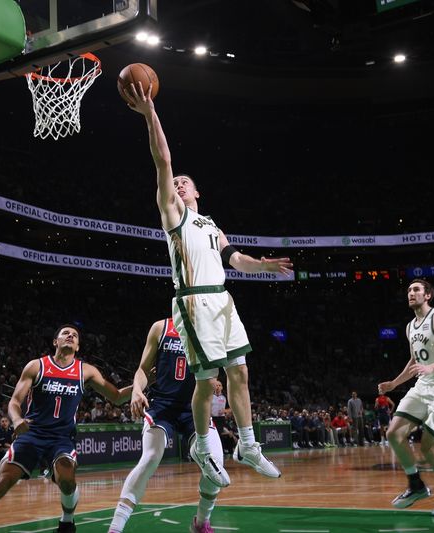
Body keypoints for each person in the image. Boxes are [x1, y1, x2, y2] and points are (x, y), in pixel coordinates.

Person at [124, 82, 290, 487]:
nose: (178, 183)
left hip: (223, 301)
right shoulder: (173, 214)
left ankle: (248, 444)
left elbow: (236, 260)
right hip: (193, 303)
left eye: (185, 182)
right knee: (206, 380)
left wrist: (263, 267)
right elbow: (162, 159)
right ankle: (201, 443)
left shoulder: (211, 224)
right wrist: (150, 115)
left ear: (198, 192)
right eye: (176, 182)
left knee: (241, 373)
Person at [0, 324, 131, 533]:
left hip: (62, 438)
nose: (70, 336)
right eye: (65, 333)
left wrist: (142, 384)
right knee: (2, 481)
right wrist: (16, 420)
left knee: (67, 479)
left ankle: (67, 520)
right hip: (32, 434)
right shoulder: (36, 366)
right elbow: (14, 402)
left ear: (77, 347)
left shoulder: (86, 371)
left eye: (75, 335)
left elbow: (118, 396)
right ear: (55, 341)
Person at [109, 318, 224, 533]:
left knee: (216, 463)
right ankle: (115, 528)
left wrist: (213, 382)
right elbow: (143, 370)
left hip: (194, 408)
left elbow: (211, 374)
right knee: (150, 457)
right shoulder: (161, 327)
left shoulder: (209, 330)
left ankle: (201, 522)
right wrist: (136, 391)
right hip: (162, 406)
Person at [377, 279, 434, 517]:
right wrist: (394, 383)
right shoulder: (410, 327)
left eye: (416, 289)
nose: (411, 293)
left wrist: (433, 367)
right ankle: (416, 485)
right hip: (423, 386)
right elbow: (414, 362)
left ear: (428, 295)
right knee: (394, 434)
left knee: (429, 447)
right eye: (408, 290)